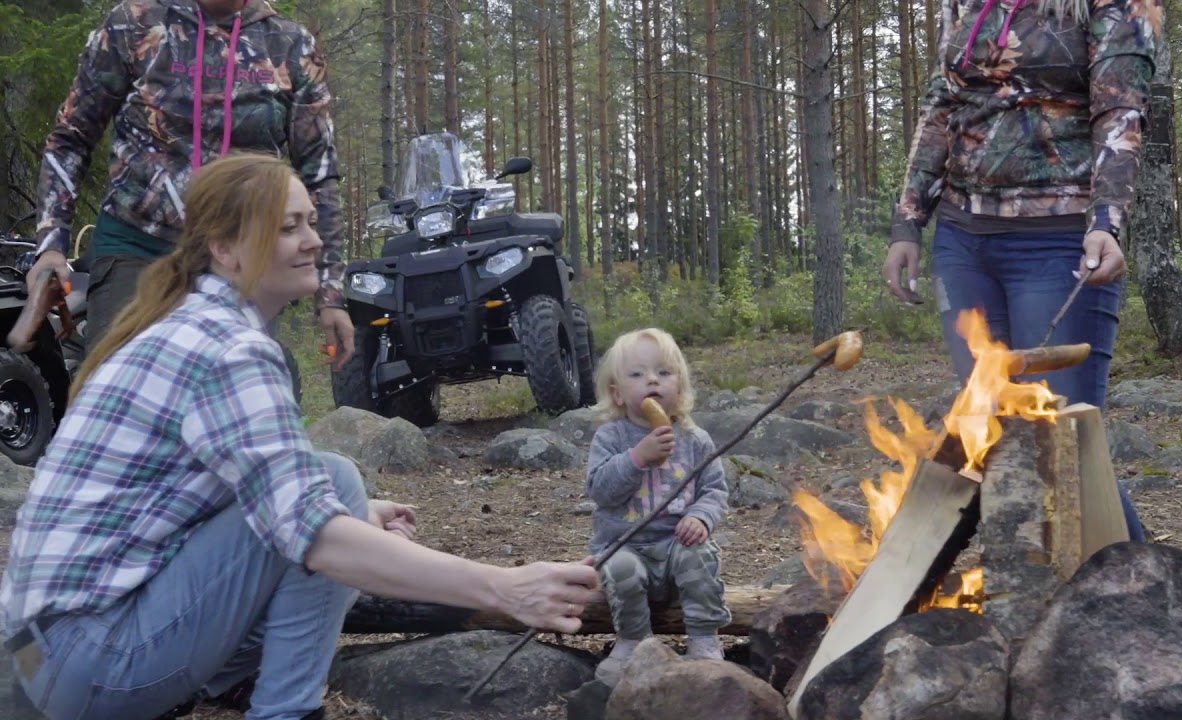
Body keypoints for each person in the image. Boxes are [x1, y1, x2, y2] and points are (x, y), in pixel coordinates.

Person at [0, 155, 599, 720]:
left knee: (331, 480)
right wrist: (502, 586)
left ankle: (234, 676)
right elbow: (313, 537)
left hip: (40, 652)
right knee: (329, 493)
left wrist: (351, 509)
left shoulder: (187, 326)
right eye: (289, 228)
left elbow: (189, 492)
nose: (314, 240)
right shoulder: (229, 350)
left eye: (311, 221)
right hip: (90, 664)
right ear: (226, 249)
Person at [882, 0, 1161, 541]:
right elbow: (943, 105)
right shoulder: (964, 6)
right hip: (965, 240)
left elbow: (1120, 110)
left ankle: (1149, 600)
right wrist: (908, 222)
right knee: (994, 432)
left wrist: (1107, 220)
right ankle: (1031, 597)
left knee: (1065, 440)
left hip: (1058, 241)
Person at [26, 0, 355, 367]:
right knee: (120, 386)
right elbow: (71, 137)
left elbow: (319, 174)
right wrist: (52, 245)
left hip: (243, 262)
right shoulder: (133, 25)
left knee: (235, 396)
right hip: (135, 247)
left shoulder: (290, 44)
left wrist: (330, 294)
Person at [585, 328, 730, 686]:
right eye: (637, 374)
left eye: (663, 372)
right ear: (617, 393)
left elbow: (714, 489)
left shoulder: (695, 439)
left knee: (701, 555)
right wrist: (637, 458)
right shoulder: (611, 437)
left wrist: (700, 516)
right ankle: (634, 642)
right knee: (619, 568)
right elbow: (601, 491)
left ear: (679, 385)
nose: (652, 380)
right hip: (627, 545)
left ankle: (703, 641)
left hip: (677, 545)